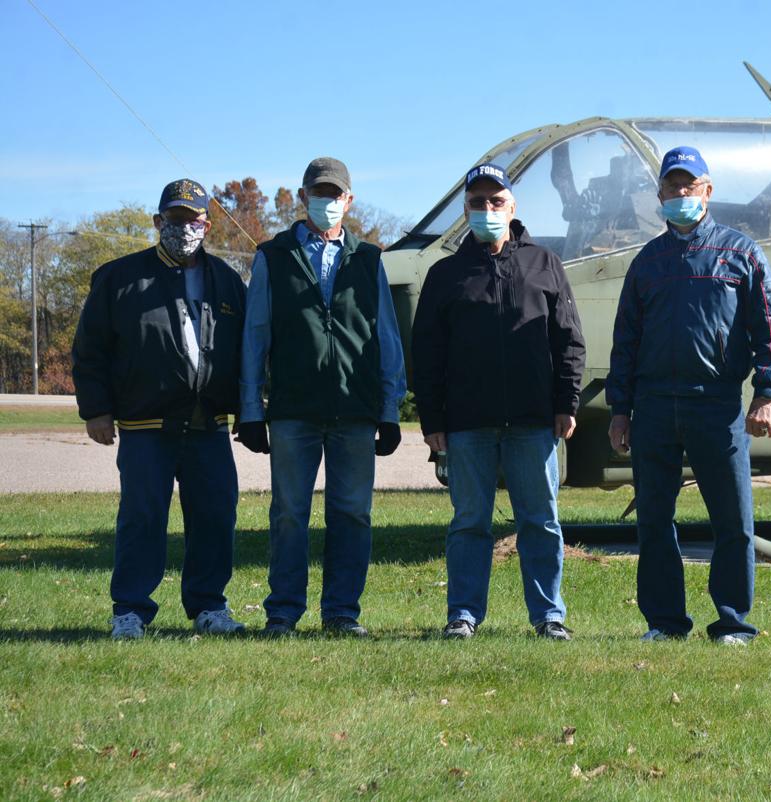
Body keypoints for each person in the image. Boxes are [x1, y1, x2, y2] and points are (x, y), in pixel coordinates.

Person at [606, 146, 771, 645]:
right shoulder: (647, 263)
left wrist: (766, 392)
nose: (680, 193)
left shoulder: (741, 254)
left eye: (688, 185)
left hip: (716, 404)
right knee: (654, 519)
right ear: (660, 196)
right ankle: (665, 623)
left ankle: (733, 623)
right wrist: (620, 411)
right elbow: (625, 342)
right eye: (671, 186)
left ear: (707, 191)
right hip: (653, 407)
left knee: (732, 520)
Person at [412, 163, 585, 640]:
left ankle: (549, 616)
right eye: (477, 202)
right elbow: (426, 353)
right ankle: (463, 614)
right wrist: (432, 419)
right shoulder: (445, 273)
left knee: (541, 521)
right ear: (466, 209)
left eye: (496, 201)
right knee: (469, 522)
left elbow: (569, 340)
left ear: (512, 206)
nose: (486, 209)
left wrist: (567, 402)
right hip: (467, 424)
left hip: (534, 421)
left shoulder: (545, 264)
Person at [237, 157, 405, 638]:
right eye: (319, 193)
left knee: (353, 513)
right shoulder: (273, 256)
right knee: (289, 514)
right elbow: (255, 336)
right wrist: (251, 409)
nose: (327, 202)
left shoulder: (369, 259)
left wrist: (389, 409)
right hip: (293, 411)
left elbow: (386, 338)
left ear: (349, 201)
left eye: (335, 194)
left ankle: (341, 613)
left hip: (355, 411)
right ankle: (283, 613)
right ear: (302, 197)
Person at [72, 178, 247, 640]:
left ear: (207, 225)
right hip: (145, 424)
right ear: (157, 221)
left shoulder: (228, 280)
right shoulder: (118, 278)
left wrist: (248, 408)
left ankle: (209, 606)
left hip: (209, 424)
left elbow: (247, 351)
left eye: (193, 219)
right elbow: (90, 350)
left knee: (216, 516)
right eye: (174, 219)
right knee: (143, 517)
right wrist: (96, 409)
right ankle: (130, 610)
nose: (184, 228)